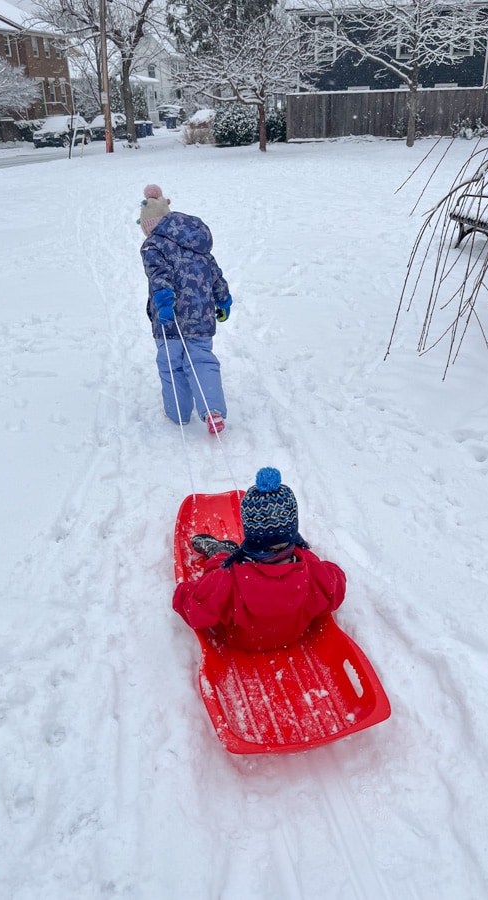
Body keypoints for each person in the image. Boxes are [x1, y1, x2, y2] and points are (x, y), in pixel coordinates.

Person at [173, 467, 346, 651]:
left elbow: (191, 607)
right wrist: (307, 557)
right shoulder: (316, 576)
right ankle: (268, 547)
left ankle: (221, 553)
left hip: (241, 642)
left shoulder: (227, 583)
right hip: (294, 636)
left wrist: (188, 589)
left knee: (221, 566)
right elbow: (338, 584)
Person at [138, 184, 232, 435]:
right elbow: (215, 275)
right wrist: (223, 300)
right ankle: (212, 411)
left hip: (168, 319)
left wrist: (164, 300)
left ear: (149, 226)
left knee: (171, 363)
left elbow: (158, 276)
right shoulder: (198, 244)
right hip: (201, 317)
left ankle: (177, 413)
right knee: (201, 360)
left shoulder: (151, 246)